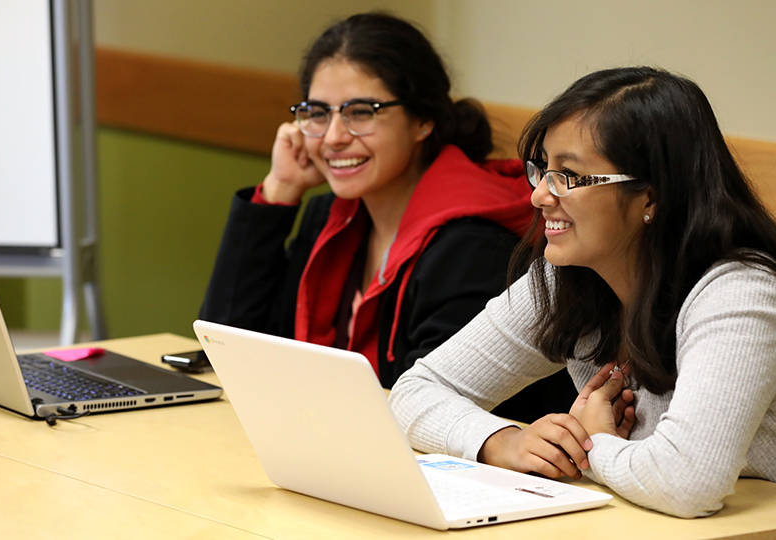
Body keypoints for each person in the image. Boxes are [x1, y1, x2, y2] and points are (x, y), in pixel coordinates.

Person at [389, 66, 776, 536]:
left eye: (568, 175)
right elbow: (415, 391)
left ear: (650, 197)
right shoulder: (566, 275)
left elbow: (687, 483)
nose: (540, 195)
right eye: (541, 169)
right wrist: (500, 442)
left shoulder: (743, 291)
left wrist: (592, 447)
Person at [199, 12, 578, 422]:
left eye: (361, 112)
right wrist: (279, 191)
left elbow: (427, 411)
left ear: (423, 120)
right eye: (317, 113)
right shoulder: (332, 215)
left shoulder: (473, 243)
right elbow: (227, 347)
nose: (333, 137)